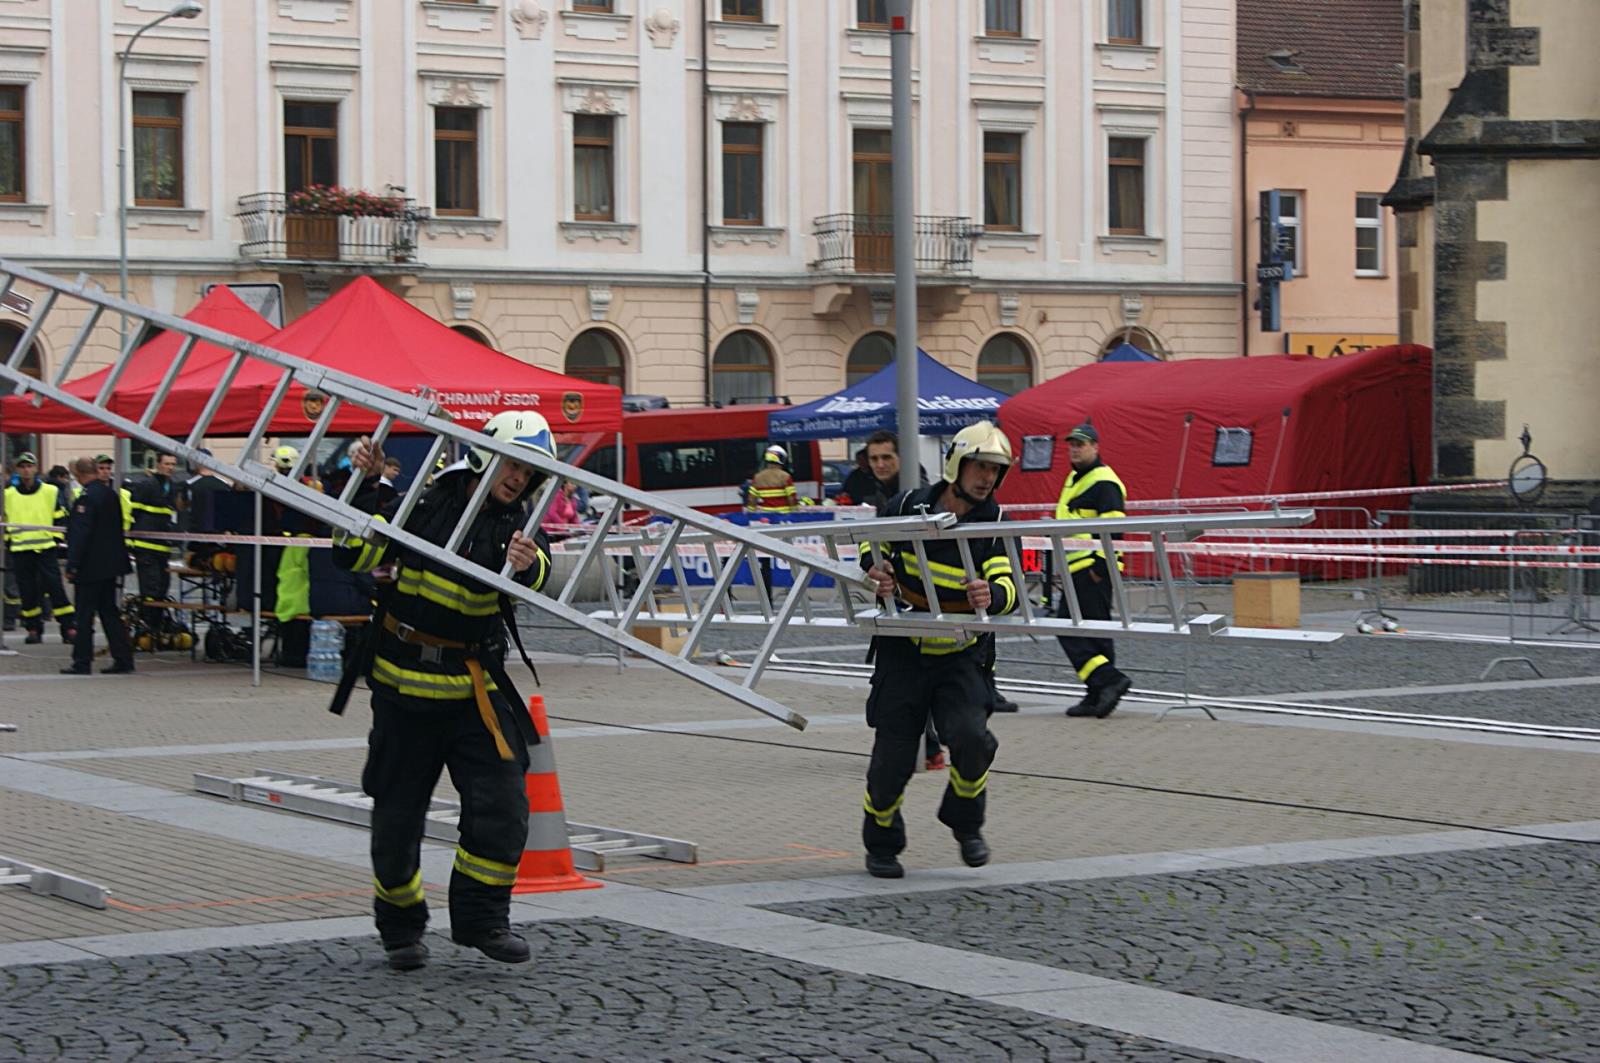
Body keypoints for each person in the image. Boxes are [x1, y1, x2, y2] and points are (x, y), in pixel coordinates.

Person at [331, 410, 555, 972]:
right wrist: (365, 485)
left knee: (503, 805)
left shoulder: (523, 524)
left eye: (530, 473)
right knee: (396, 817)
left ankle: (481, 921)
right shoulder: (430, 501)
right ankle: (401, 927)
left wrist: (529, 568)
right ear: (486, 455)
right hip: (404, 689)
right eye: (514, 464)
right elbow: (353, 553)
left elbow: (542, 573)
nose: (519, 479)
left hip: (472, 687)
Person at [858, 420, 1019, 879]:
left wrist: (993, 595)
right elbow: (871, 550)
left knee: (972, 740)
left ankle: (964, 822)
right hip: (903, 651)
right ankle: (882, 842)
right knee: (891, 760)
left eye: (995, 469)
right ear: (957, 464)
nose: (987, 477)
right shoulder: (908, 505)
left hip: (962, 653)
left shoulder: (995, 523)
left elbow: (1008, 583)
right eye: (980, 466)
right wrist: (876, 569)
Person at [1054, 423, 1133, 719]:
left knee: (1067, 627)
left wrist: (1101, 568)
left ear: (1096, 447)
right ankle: (1097, 692)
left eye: (1081, 444)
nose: (1075, 448)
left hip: (1092, 568)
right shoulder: (1076, 479)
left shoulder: (1103, 481)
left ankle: (1108, 681)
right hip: (1078, 567)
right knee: (1095, 633)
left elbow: (1113, 526)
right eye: (1072, 443)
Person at [62, 456, 134, 675]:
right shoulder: (110, 494)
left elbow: (81, 534)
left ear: (79, 474)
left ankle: (82, 661)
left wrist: (72, 565)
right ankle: (123, 659)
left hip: (90, 566)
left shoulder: (87, 497)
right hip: (109, 566)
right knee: (109, 613)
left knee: (84, 615)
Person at [3, 452, 76, 644]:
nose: (26, 470)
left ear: (35, 469)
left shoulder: (50, 491)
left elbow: (60, 517)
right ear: (18, 469)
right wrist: (9, 541)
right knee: (27, 593)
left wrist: (56, 540)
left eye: (29, 466)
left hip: (45, 549)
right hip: (20, 551)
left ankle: (68, 627)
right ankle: (33, 628)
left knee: (55, 589)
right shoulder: (8, 494)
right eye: (23, 466)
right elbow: (6, 520)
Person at [128, 452, 179, 639]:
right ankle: (147, 626)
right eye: (167, 464)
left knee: (162, 588)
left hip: (162, 547)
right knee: (150, 587)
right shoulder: (147, 485)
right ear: (158, 464)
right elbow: (134, 513)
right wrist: (132, 541)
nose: (170, 468)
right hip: (146, 545)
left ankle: (157, 627)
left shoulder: (171, 486)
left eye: (173, 464)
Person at [745, 444, 798, 515]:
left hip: (767, 516)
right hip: (784, 517)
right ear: (782, 458)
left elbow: (751, 499)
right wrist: (794, 513)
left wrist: (750, 513)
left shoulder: (757, 477)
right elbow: (791, 498)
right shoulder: (785, 476)